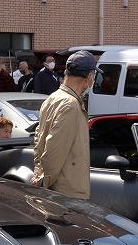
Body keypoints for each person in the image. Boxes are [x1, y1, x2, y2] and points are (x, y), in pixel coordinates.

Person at [32, 50, 98, 199]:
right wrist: (44, 182)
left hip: (54, 186)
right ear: (88, 77)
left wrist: (39, 173)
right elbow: (54, 147)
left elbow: (38, 138)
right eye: (93, 76)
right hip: (65, 190)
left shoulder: (53, 97)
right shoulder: (71, 104)